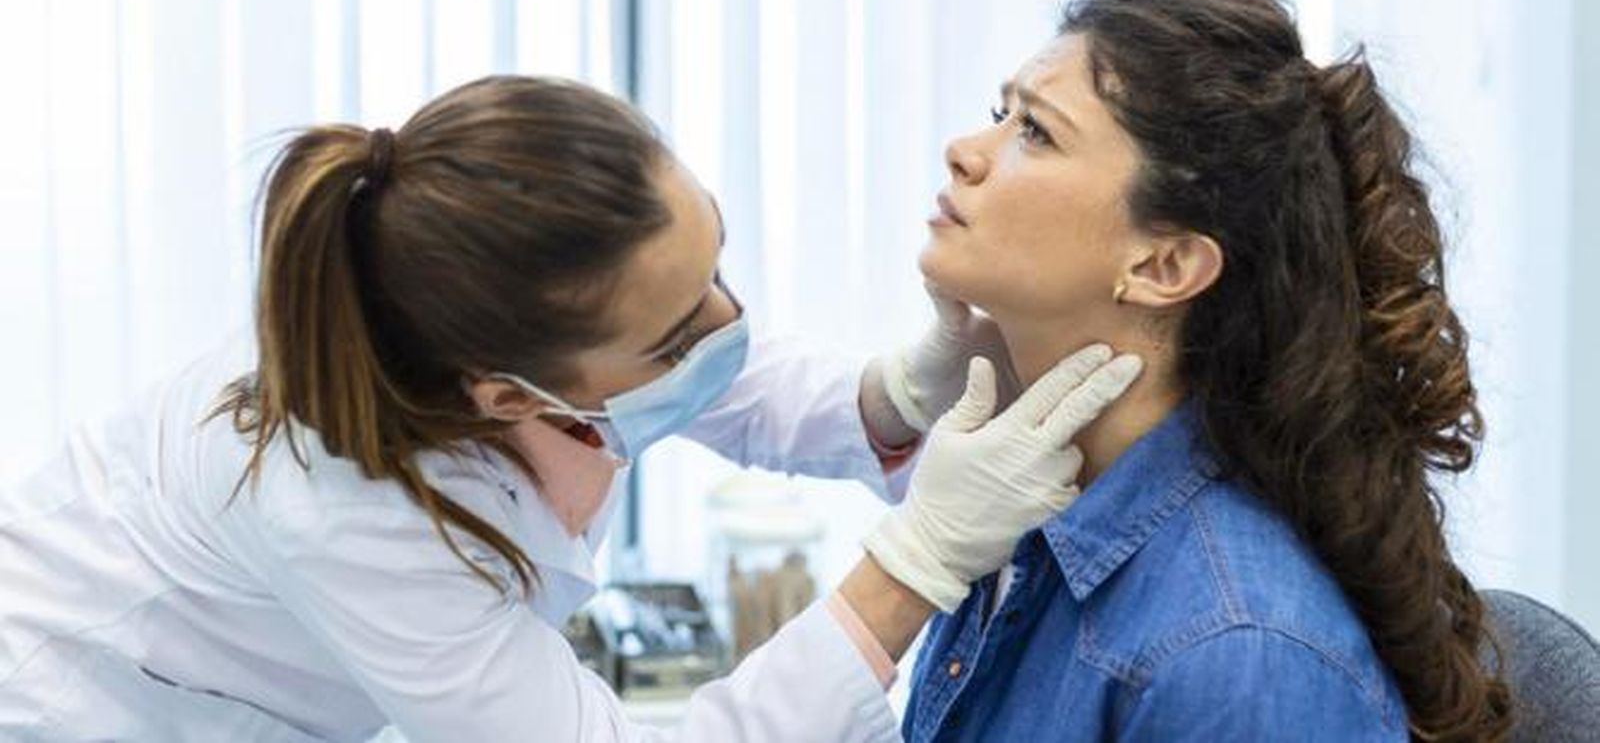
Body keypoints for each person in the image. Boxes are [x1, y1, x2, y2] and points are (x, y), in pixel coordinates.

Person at [0, 75, 1141, 742]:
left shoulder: (522, 303)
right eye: (682, 328)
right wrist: (914, 566)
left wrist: (899, 390)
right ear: (504, 395)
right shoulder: (340, 506)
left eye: (713, 267)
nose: (728, 324)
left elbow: (718, 378)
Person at [899, 0, 1513, 742]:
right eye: (1002, 115)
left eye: (1037, 132)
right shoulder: (1019, 521)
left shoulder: (1235, 654)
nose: (964, 152)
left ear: (1166, 266)